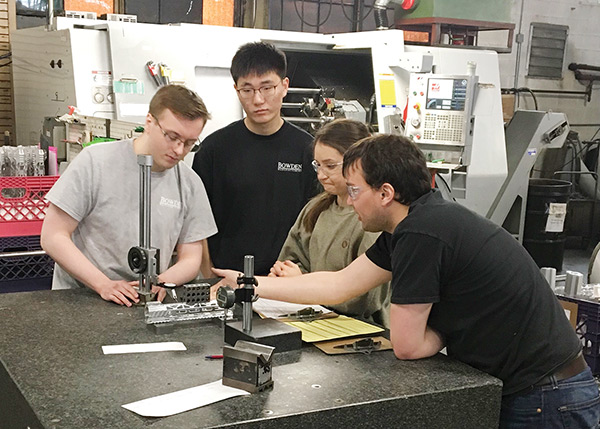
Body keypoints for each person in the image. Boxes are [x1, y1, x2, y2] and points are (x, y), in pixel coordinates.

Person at [214, 134, 600, 428]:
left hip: (547, 396)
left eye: (354, 190)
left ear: (385, 193)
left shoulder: (421, 233)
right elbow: (338, 285)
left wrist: (446, 331)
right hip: (538, 388)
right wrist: (251, 284)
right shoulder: (413, 224)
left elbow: (408, 345)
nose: (348, 202)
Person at [41, 84, 217, 307]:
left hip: (143, 302)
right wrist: (103, 284)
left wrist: (161, 282)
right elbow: (53, 237)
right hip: (82, 298)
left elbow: (192, 257)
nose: (179, 150)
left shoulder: (190, 183)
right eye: (172, 137)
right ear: (149, 122)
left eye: (190, 143)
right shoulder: (95, 162)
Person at [192, 41, 316, 276]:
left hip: (287, 281)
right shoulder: (214, 150)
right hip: (227, 280)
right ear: (236, 90)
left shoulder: (307, 150)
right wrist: (208, 276)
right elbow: (197, 224)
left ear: (284, 86)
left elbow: (316, 222)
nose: (258, 100)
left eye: (267, 87)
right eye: (247, 90)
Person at [270, 119, 390, 327]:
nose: (320, 175)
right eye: (317, 165)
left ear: (358, 164)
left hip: (362, 333)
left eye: (330, 166)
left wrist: (300, 284)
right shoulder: (315, 210)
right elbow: (289, 262)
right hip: (313, 321)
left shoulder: (371, 219)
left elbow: (364, 299)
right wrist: (286, 277)